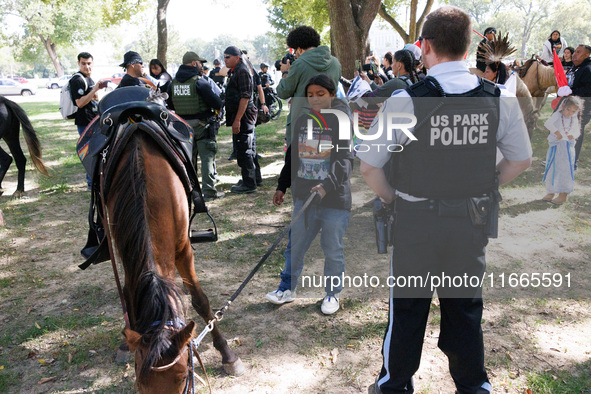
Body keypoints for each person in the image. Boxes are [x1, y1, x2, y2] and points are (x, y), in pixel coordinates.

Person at [357, 6, 532, 394]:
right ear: (469, 47)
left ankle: (396, 384)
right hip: (470, 223)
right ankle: (474, 386)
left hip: (416, 223)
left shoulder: (405, 101)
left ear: (426, 48)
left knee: (407, 310)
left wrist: (392, 201)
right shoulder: (497, 98)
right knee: (465, 310)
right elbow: (521, 159)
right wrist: (486, 186)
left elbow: (369, 166)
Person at [265, 74, 354, 315]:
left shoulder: (341, 121)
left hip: (334, 199)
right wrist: (282, 185)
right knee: (296, 245)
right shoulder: (304, 120)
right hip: (305, 198)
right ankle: (287, 288)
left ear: (332, 95)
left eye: (321, 94)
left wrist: (327, 184)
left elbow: (346, 160)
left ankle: (332, 294)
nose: (314, 99)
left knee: (332, 248)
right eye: (310, 94)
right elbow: (293, 155)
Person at [168, 51, 225, 201]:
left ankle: (189, 191)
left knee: (187, 161)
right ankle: (209, 193)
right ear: (193, 63)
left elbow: (169, 104)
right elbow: (217, 102)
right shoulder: (199, 81)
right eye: (200, 63)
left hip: (182, 128)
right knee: (207, 159)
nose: (202, 65)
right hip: (202, 125)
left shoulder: (173, 83)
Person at [277, 25, 341, 145]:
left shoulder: (299, 64)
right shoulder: (335, 63)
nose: (295, 55)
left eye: (295, 51)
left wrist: (285, 72)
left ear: (299, 49)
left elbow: (283, 91)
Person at [223, 46, 261, 194]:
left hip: (244, 117)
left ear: (236, 57)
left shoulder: (242, 71)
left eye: (227, 57)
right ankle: (253, 178)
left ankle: (249, 183)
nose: (224, 60)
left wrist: (237, 119)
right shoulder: (237, 71)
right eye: (224, 56)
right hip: (243, 116)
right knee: (248, 147)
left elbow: (245, 97)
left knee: (245, 148)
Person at [70, 52, 108, 190]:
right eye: (83, 63)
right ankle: (91, 184)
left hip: (93, 120)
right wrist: (95, 90)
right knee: (90, 153)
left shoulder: (89, 79)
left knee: (97, 150)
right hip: (84, 122)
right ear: (78, 63)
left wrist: (96, 94)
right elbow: (80, 103)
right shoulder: (77, 80)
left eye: (89, 63)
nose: (87, 66)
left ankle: (96, 181)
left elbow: (91, 99)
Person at [542, 96, 582, 204]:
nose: (570, 113)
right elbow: (548, 123)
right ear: (563, 106)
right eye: (568, 109)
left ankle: (563, 194)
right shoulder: (558, 115)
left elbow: (577, 131)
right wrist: (557, 132)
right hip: (556, 147)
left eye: (573, 111)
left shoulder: (573, 119)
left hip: (567, 149)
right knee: (552, 168)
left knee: (564, 170)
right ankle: (551, 191)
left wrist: (573, 135)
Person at [569, 44, 591, 168]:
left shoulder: (587, 69)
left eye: (578, 52)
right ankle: (562, 157)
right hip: (570, 107)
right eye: (575, 52)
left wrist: (571, 91)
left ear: (586, 55)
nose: (574, 54)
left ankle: (573, 162)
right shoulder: (575, 67)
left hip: (582, 109)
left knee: (576, 134)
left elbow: (588, 91)